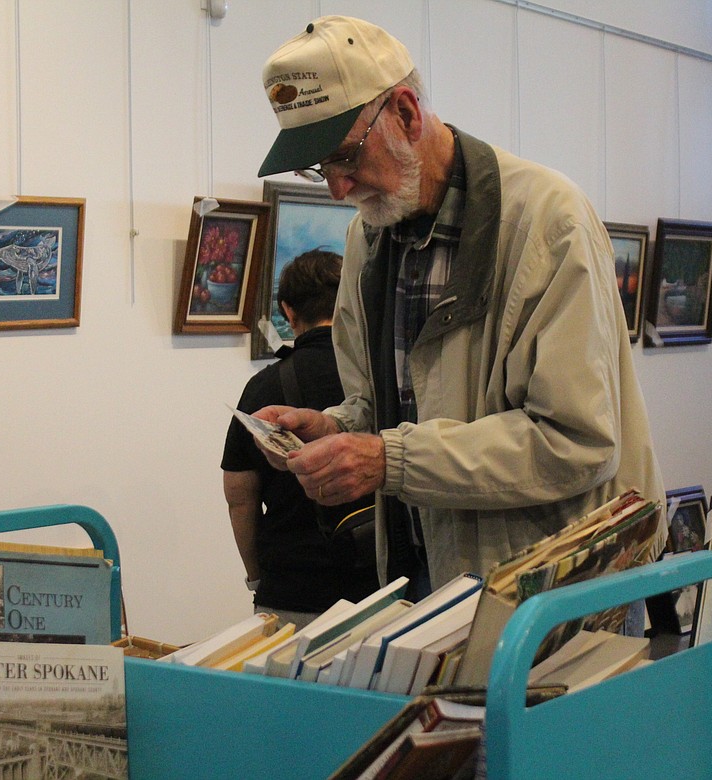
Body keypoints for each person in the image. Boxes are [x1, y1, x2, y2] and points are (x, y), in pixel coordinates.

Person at [253, 16, 667, 602]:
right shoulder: (368, 238)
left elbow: (577, 442)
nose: (337, 190)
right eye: (319, 169)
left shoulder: (549, 221)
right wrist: (335, 429)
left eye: (344, 156)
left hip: (547, 591)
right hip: (419, 577)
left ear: (405, 112)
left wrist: (387, 459)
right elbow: (392, 406)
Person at [221, 249, 379, 628]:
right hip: (380, 586)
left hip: (291, 590)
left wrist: (257, 578)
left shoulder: (264, 387)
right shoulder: (380, 378)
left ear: (288, 312)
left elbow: (239, 497)